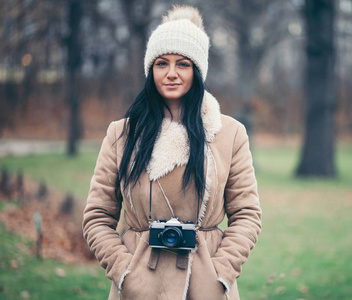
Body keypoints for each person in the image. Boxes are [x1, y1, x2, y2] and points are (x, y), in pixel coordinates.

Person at [82, 5, 262, 300]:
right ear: (150, 69)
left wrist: (221, 272)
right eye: (161, 63)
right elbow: (97, 216)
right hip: (138, 288)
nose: (171, 74)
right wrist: (124, 270)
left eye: (183, 64)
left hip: (206, 287)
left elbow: (247, 214)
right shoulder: (122, 134)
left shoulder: (229, 133)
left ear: (198, 70)